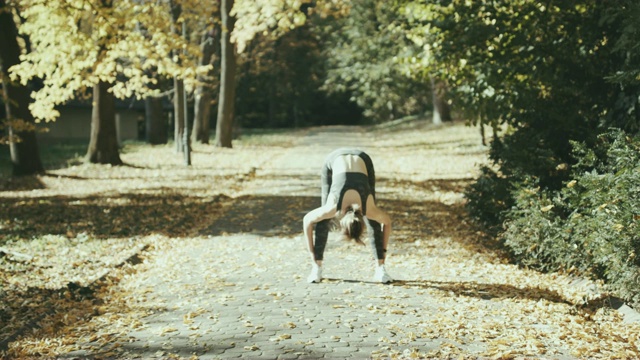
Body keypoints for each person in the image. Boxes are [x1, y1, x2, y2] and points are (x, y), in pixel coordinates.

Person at [302, 148, 393, 283]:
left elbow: (307, 221)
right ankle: (380, 268)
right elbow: (387, 223)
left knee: (326, 217)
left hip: (359, 158)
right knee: (371, 219)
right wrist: (384, 251)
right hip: (338, 158)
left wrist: (311, 252)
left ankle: (380, 269)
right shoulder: (334, 208)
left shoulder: (334, 209)